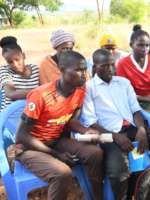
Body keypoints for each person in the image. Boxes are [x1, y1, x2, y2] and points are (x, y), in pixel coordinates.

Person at [81, 48, 150, 200]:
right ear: (95, 67)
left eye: (112, 64)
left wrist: (142, 130)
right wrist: (116, 137)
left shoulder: (123, 83)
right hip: (109, 136)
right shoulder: (89, 88)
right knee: (118, 173)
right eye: (104, 66)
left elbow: (136, 110)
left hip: (133, 129)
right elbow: (91, 122)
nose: (110, 69)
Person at [15, 51, 104, 200]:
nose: (84, 74)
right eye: (78, 70)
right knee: (62, 172)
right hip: (29, 148)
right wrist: (56, 155)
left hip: (56, 141)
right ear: (62, 70)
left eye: (84, 69)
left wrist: (86, 131)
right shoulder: (41, 95)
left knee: (95, 154)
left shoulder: (80, 90)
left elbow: (69, 120)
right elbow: (22, 135)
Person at [0, 36, 39, 111]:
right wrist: (38, 92)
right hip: (9, 116)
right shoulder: (5, 71)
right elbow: (10, 93)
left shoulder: (36, 69)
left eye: (17, 59)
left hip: (32, 113)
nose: (15, 64)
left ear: (23, 56)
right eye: (10, 62)